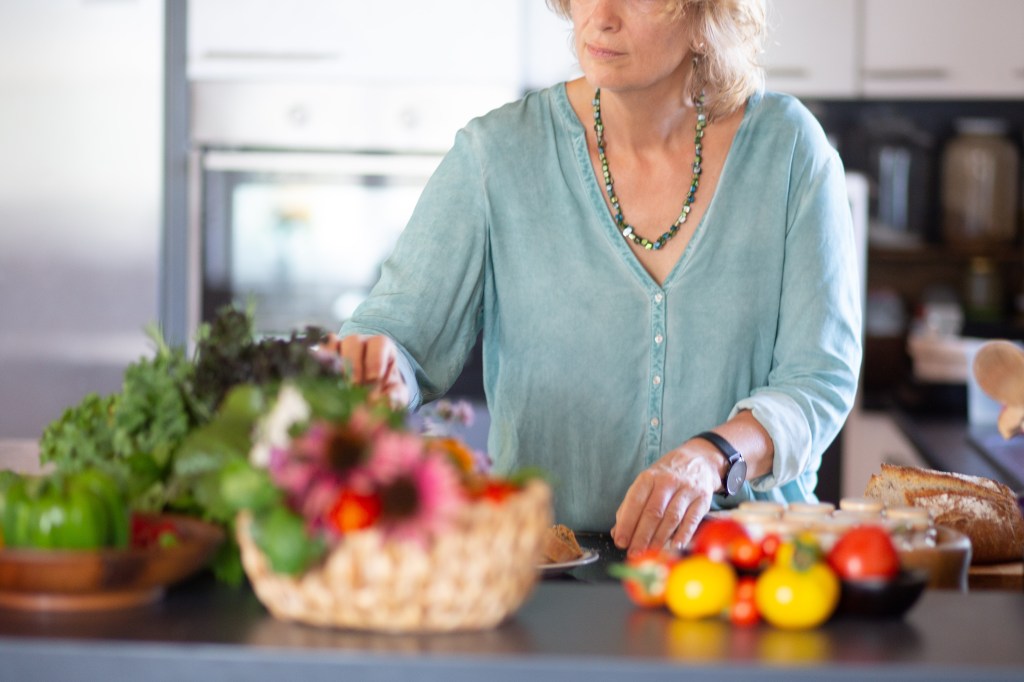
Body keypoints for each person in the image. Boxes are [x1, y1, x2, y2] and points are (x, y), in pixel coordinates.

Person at [326, 0, 862, 558]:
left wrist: (714, 458)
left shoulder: (790, 150)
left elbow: (818, 380)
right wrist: (379, 367)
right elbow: (396, 338)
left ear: (705, 15)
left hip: (750, 567)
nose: (601, 16)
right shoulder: (496, 157)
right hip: (547, 570)